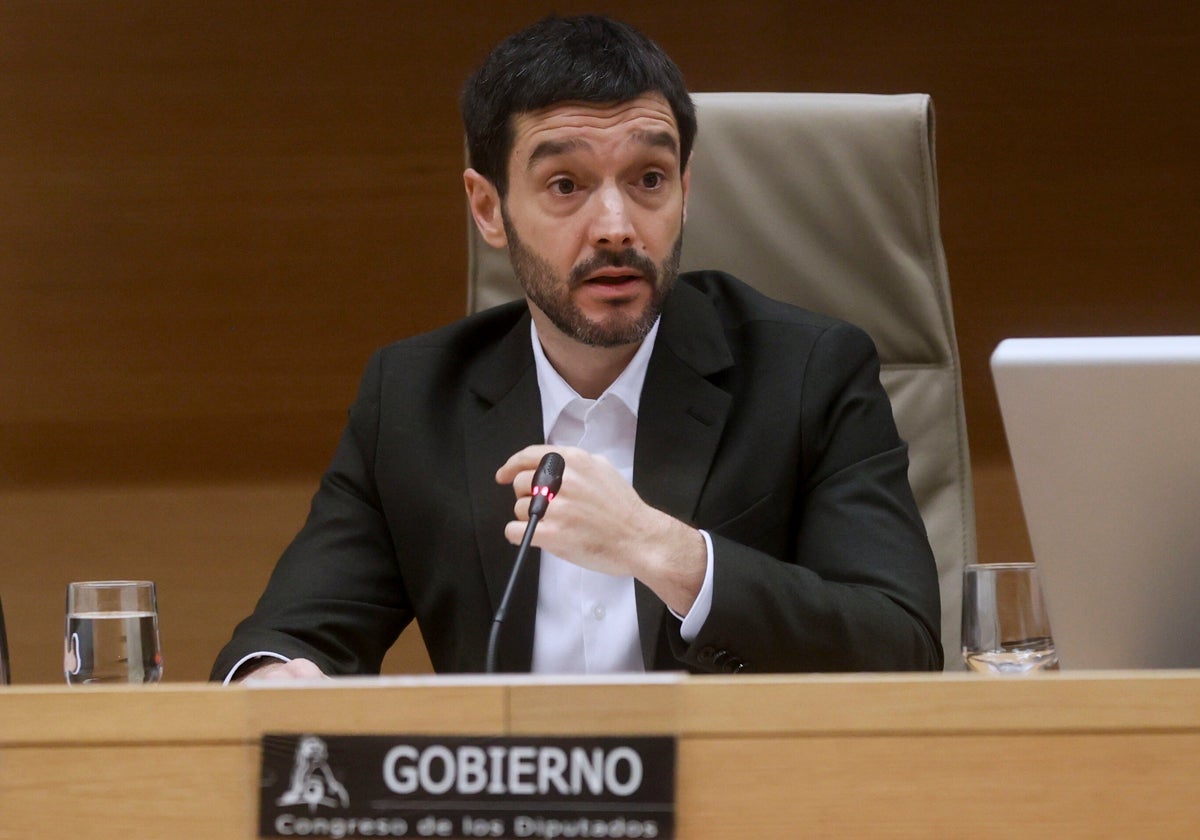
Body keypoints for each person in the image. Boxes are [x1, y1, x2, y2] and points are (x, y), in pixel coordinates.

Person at [211, 14, 942, 682]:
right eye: (566, 185)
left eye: (649, 179)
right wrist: (276, 678)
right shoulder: (411, 399)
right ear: (489, 209)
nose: (616, 226)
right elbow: (290, 635)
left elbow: (899, 645)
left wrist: (665, 552)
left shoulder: (809, 374)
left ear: (686, 190)